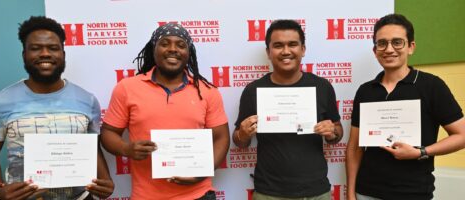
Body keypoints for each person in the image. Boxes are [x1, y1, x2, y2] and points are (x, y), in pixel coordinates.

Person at [0, 16, 114, 200]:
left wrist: (105, 179)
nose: (45, 54)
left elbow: (93, 147)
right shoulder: (0, 102)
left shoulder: (87, 100)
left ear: (63, 53)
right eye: (35, 48)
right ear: (24, 55)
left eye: (53, 48)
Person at [100, 23, 230, 200]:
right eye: (165, 43)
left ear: (188, 52)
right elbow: (108, 133)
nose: (173, 49)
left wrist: (202, 171)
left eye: (181, 45)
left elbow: (221, 137)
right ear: (154, 49)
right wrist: (126, 148)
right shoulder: (127, 88)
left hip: (199, 194)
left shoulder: (207, 91)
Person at [346, 14, 465, 200]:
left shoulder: (431, 86)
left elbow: (462, 135)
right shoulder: (365, 91)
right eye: (382, 43)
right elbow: (355, 148)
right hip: (366, 192)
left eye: (397, 42)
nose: (389, 49)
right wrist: (351, 193)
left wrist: (421, 152)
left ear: (411, 47)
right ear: (375, 49)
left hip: (413, 193)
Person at [233, 19, 343, 200]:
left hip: (316, 191)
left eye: (292, 44)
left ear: (303, 49)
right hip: (269, 192)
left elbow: (337, 132)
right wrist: (243, 134)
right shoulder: (253, 90)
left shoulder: (322, 86)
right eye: (278, 45)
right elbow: (239, 141)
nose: (286, 51)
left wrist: (332, 132)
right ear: (268, 52)